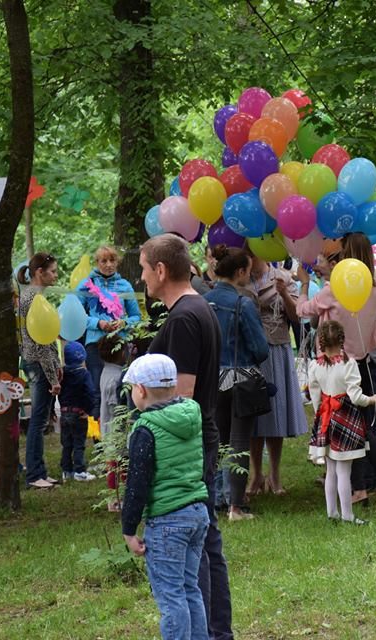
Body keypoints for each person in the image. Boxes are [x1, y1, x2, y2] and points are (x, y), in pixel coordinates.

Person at [140, 233, 233, 640]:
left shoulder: (183, 319)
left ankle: (209, 632)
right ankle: (217, 631)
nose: (142, 278)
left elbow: (180, 397)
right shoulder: (198, 307)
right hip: (202, 439)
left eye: (144, 269)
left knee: (197, 551)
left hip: (190, 446)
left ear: (161, 270)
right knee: (207, 541)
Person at [297, 233, 376, 505]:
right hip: (364, 363)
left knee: (344, 431)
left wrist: (304, 284)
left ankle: (359, 489)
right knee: (364, 428)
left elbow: (303, 310)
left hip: (336, 367)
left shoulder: (334, 290)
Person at [121, 353, 210, 640]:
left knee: (171, 596)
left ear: (141, 390)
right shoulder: (191, 414)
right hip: (197, 513)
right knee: (189, 588)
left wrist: (129, 529)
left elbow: (137, 482)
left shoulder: (145, 428)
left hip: (167, 522)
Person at [203, 246, 269, 521]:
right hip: (241, 378)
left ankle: (214, 499)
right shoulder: (244, 303)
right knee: (239, 441)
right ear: (240, 272)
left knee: (215, 441)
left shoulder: (203, 301)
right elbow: (260, 349)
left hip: (211, 380)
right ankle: (236, 506)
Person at [307, 320, 376, 525]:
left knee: (331, 470)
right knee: (343, 471)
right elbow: (356, 397)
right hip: (346, 417)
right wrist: (372, 399)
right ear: (342, 340)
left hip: (326, 417)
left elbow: (315, 395)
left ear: (321, 341)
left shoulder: (315, 365)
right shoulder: (349, 364)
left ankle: (332, 513)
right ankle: (347, 515)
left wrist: (320, 413)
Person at [248, 253, 308, 498]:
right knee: (252, 413)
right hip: (250, 351)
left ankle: (274, 474)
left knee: (275, 412)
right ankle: (256, 474)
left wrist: (284, 294)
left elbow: (296, 317)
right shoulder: (241, 279)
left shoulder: (282, 278)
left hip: (276, 348)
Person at [76, 245, 141, 430]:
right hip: (95, 344)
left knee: (120, 387)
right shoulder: (86, 284)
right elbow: (77, 315)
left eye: (112, 260)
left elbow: (136, 317)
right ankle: (98, 437)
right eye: (104, 261)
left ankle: (119, 433)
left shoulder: (125, 285)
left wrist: (124, 323)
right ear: (97, 263)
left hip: (119, 344)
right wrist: (98, 323)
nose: (108, 264)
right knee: (96, 390)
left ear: (117, 262)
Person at [18, 253, 62, 490]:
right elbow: (41, 342)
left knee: (41, 419)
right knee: (38, 420)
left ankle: (39, 470)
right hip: (38, 364)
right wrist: (53, 377)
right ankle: (34, 474)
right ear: (39, 272)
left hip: (38, 363)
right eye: (52, 271)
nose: (56, 275)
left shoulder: (33, 296)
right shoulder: (33, 298)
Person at [58, 342, 97, 482]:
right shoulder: (84, 374)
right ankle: (79, 471)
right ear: (83, 357)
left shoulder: (62, 374)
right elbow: (90, 392)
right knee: (79, 443)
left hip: (64, 413)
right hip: (79, 413)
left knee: (66, 443)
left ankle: (66, 470)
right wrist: (88, 410)